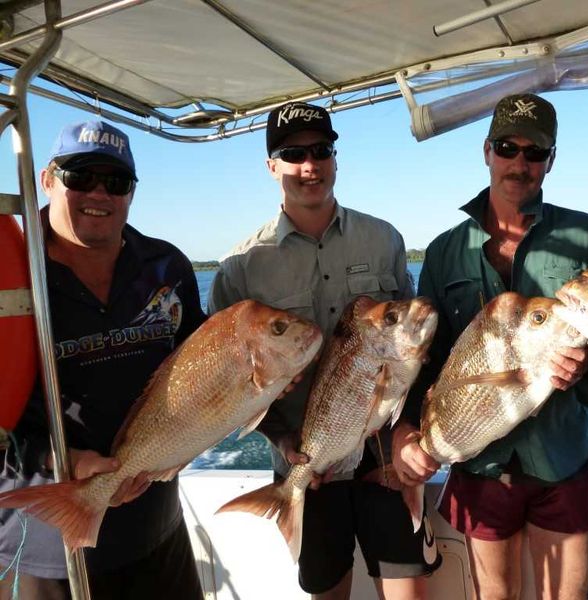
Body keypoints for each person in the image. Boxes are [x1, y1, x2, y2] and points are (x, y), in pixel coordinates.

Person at [207, 101, 441, 600]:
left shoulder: (383, 239)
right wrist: (282, 441)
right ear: (272, 167)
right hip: (305, 465)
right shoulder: (240, 267)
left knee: (408, 590)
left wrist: (404, 431)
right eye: (293, 153)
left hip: (382, 458)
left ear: (335, 159)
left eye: (321, 151)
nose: (309, 165)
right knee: (327, 590)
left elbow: (409, 351)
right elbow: (230, 381)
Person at [392, 93, 588, 600]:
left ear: (550, 161)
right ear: (486, 151)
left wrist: (585, 370)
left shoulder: (583, 234)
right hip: (480, 462)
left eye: (535, 153)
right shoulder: (447, 249)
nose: (520, 162)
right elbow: (425, 358)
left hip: (562, 456)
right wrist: (405, 431)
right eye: (508, 147)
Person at [0, 120, 206, 600]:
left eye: (116, 181)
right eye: (81, 176)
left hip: (157, 532)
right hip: (46, 551)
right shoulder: (12, 279)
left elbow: (204, 370)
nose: (100, 192)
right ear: (47, 179)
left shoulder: (166, 266)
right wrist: (66, 461)